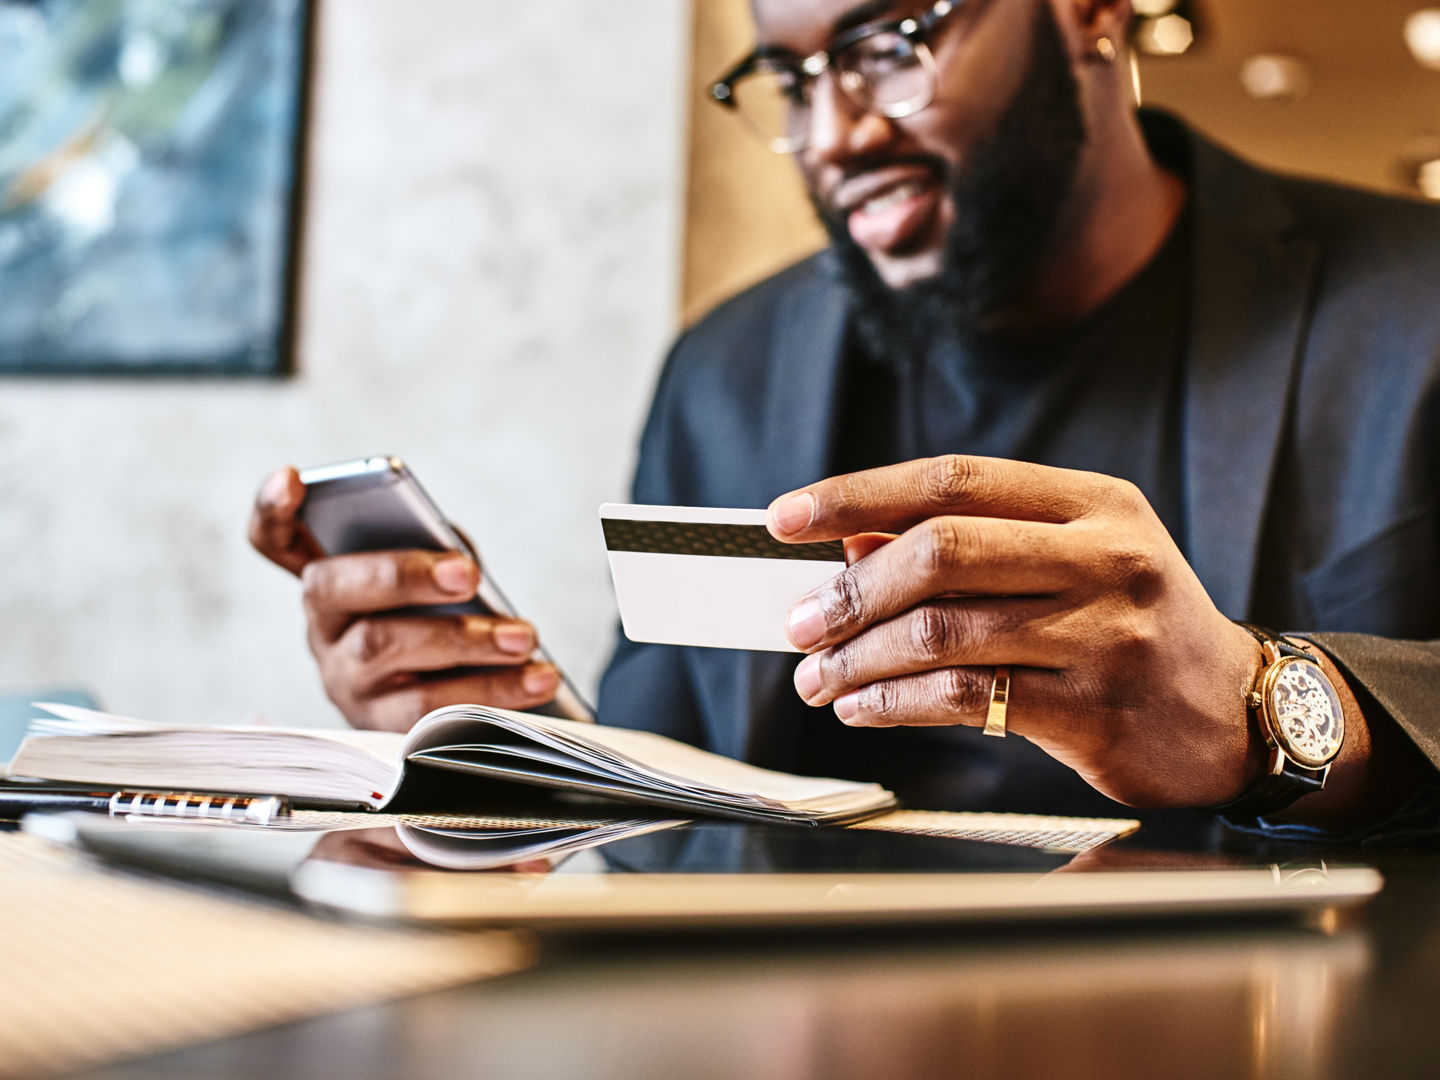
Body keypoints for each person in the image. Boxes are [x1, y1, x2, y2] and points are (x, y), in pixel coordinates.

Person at [250, 0, 1440, 833]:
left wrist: (1261, 709)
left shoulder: (1412, 306)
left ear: (1091, 9)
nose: (834, 137)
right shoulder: (724, 368)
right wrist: (502, 745)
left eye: (893, 42)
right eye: (792, 78)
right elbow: (669, 815)